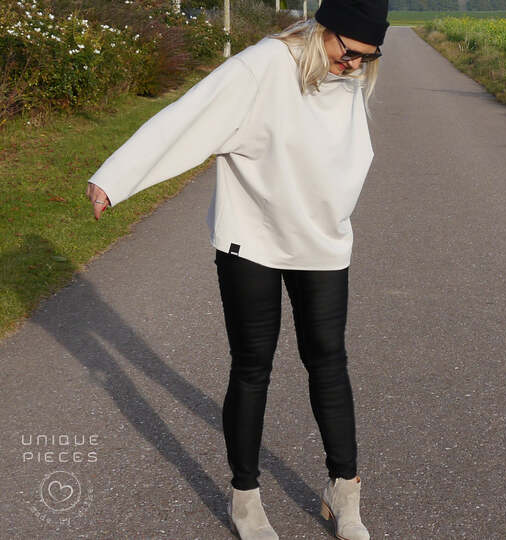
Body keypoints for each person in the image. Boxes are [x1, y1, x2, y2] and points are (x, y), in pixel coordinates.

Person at [86, 1, 390, 538]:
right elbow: (189, 115)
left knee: (328, 361)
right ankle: (245, 497)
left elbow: (346, 156)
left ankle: (345, 489)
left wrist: (336, 211)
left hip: (321, 242)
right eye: (349, 53)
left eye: (367, 58)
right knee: (253, 366)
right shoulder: (263, 65)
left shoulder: (348, 75)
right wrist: (117, 176)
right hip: (252, 237)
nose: (354, 66)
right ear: (324, 29)